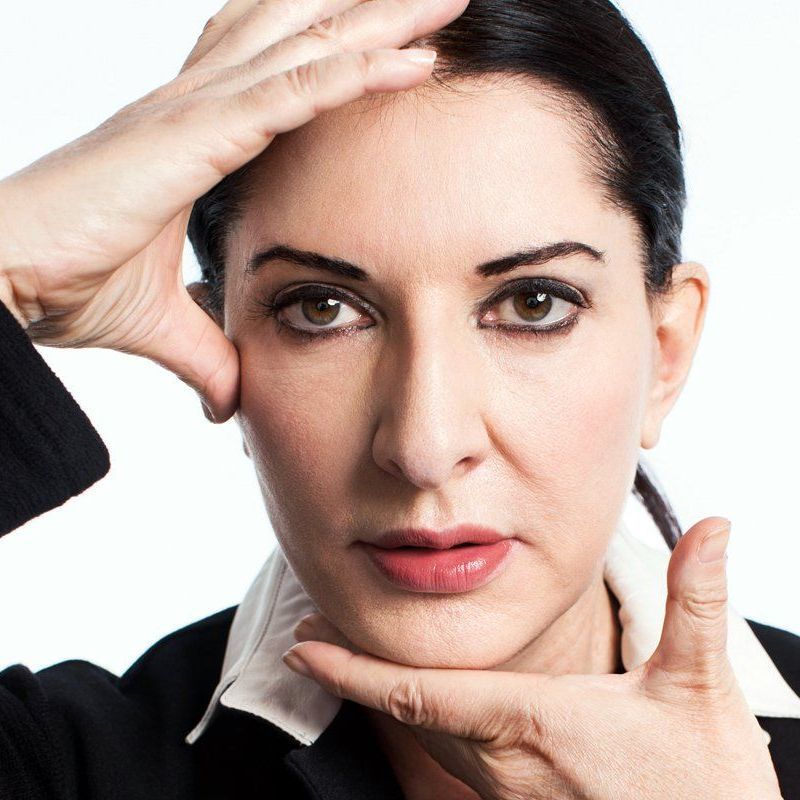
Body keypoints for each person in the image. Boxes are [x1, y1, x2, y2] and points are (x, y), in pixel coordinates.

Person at [1, 0, 799, 798]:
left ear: (666, 351)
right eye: (321, 309)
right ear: (218, 339)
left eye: (534, 304)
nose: (424, 446)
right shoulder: (63, 770)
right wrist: (11, 265)